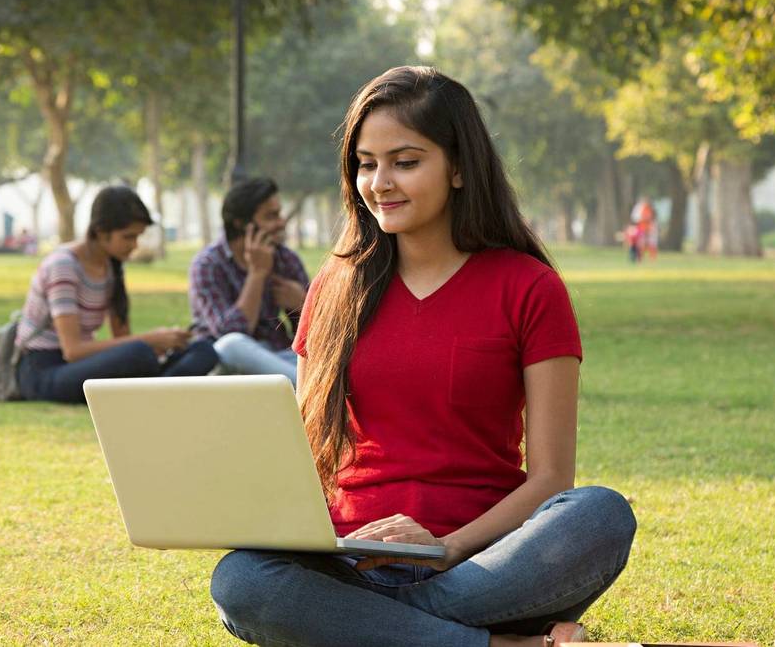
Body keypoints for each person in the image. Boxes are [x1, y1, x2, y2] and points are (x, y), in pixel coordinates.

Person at [209, 67, 636, 647]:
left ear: (459, 167)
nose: (380, 183)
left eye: (405, 162)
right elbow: (307, 453)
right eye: (366, 164)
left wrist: (447, 548)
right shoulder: (335, 285)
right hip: (349, 563)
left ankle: (374, 629)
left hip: (482, 564)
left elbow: (551, 478)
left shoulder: (530, 288)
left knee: (600, 515)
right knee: (242, 580)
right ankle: (489, 643)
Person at [15, 185, 217, 404]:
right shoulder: (63, 266)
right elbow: (72, 351)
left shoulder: (111, 266)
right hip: (45, 370)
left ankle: (156, 393)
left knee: (203, 350)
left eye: (138, 237)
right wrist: (150, 340)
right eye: (128, 237)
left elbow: (122, 339)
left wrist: (162, 343)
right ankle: (158, 392)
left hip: (80, 366)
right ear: (102, 233)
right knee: (139, 353)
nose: (134, 245)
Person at [188, 178, 310, 386]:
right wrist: (257, 274)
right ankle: (310, 391)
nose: (281, 223)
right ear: (241, 223)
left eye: (279, 214)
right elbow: (230, 333)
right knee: (231, 345)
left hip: (278, 358)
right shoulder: (207, 265)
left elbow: (314, 339)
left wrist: (303, 303)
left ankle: (301, 385)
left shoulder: (285, 259)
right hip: (225, 366)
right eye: (271, 216)